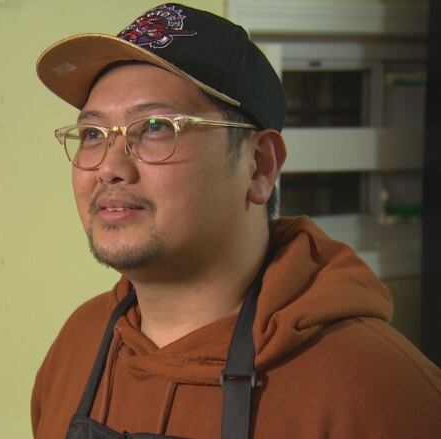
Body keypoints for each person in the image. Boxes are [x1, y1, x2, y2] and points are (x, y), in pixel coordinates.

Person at [31, 3, 441, 439]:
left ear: (260, 166)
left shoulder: (377, 392)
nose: (109, 167)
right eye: (93, 134)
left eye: (154, 126)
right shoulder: (78, 343)